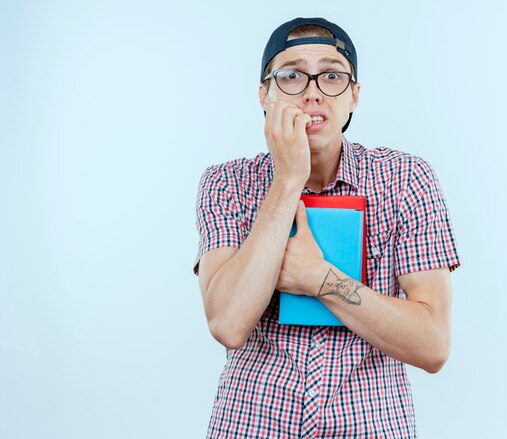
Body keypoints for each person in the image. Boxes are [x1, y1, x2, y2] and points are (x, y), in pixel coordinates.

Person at [193, 17, 460, 438]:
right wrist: (287, 181)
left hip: (371, 424)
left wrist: (321, 278)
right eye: (292, 75)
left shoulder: (405, 179)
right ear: (264, 94)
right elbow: (227, 322)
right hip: (252, 423)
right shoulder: (227, 183)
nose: (313, 92)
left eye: (332, 76)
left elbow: (432, 344)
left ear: (354, 96)